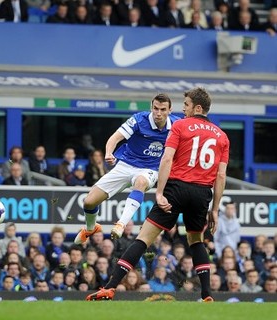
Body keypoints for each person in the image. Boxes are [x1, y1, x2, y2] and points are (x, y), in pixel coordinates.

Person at [87, 87, 230, 302]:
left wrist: (160, 192)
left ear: (197, 107)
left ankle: (110, 287)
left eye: (187, 105)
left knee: (143, 239)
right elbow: (221, 176)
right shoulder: (222, 136)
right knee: (196, 241)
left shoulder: (180, 125)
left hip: (176, 188)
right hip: (202, 193)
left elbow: (166, 159)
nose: (183, 110)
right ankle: (207, 294)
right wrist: (216, 209)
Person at [74, 93, 180, 242]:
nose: (158, 113)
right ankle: (91, 228)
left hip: (150, 168)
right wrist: (109, 152)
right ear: (151, 107)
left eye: (163, 109)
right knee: (89, 202)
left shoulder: (177, 125)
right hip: (126, 164)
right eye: (155, 108)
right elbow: (115, 137)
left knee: (141, 182)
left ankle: (121, 224)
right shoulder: (138, 119)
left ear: (170, 110)